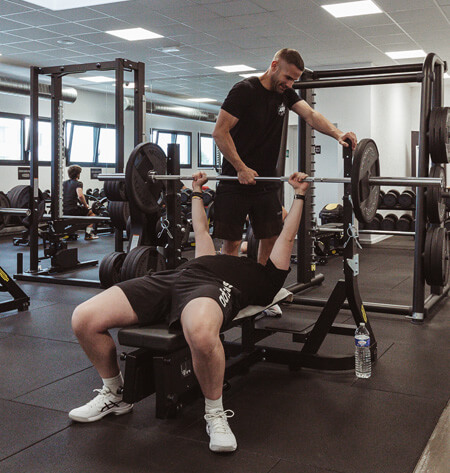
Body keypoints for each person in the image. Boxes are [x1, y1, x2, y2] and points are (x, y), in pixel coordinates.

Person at [68, 171, 310, 453]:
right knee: (83, 317)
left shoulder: (268, 277)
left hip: (212, 288)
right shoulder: (212, 255)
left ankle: (214, 412)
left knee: (200, 332)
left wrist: (300, 195)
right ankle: (115, 393)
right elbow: (202, 228)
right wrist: (196, 191)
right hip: (172, 279)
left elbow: (288, 236)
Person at [212, 48, 358, 267]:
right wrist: (241, 167)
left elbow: (310, 115)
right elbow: (220, 132)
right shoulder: (244, 90)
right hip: (235, 180)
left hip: (267, 181)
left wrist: (338, 134)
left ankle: (260, 291)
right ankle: (228, 293)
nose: (290, 84)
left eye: (294, 80)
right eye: (288, 77)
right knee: (231, 244)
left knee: (270, 238)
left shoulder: (285, 93)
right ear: (274, 66)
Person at [63, 165, 98, 240]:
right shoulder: (78, 183)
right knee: (92, 213)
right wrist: (86, 205)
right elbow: (80, 196)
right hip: (72, 210)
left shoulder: (63, 183)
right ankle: (88, 234)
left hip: (62, 210)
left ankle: (70, 234)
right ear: (78, 174)